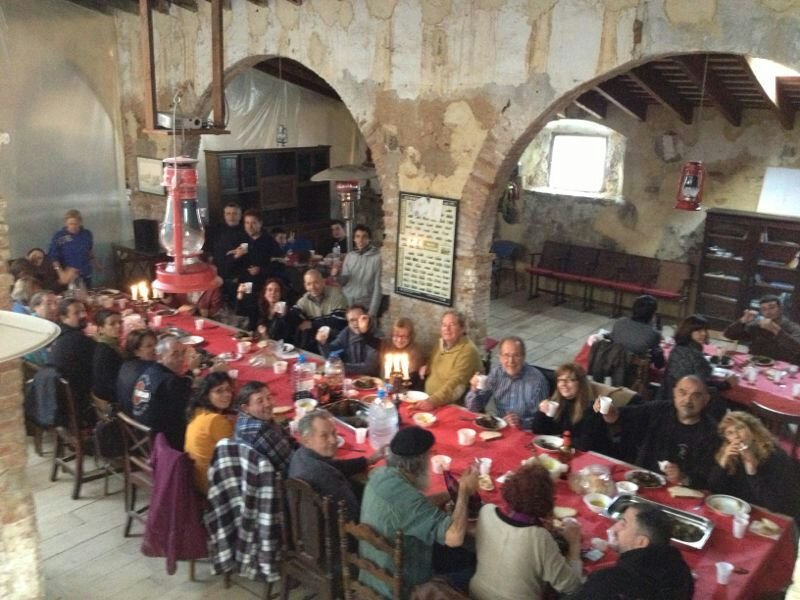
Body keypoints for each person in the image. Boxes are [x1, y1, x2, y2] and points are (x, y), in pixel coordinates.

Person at [359, 426, 479, 598]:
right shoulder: (409, 500)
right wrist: (464, 493)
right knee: (471, 561)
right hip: (401, 587)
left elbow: (414, 509)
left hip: (373, 572)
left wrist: (450, 493)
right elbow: (454, 537)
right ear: (420, 462)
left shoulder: (380, 475)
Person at [470, 463, 582, 600]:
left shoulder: (486, 512)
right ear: (548, 503)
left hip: (476, 595)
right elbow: (572, 586)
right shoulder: (539, 538)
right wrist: (574, 545)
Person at [596, 375, 719, 489]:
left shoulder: (712, 432)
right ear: (674, 392)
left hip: (680, 491)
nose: (687, 400)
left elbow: (707, 479)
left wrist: (682, 477)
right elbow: (621, 416)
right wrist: (609, 410)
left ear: (706, 400)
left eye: (696, 396)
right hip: (641, 481)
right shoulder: (659, 410)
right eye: (683, 392)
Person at [575, 503, 694, 599]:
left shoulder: (608, 582)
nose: (616, 526)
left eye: (624, 524)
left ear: (641, 542)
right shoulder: (681, 570)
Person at [288, 409, 382, 519]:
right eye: (324, 436)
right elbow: (353, 512)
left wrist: (368, 460)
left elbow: (337, 465)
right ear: (306, 440)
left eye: (334, 433)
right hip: (339, 529)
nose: (333, 440)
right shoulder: (324, 474)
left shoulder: (301, 454)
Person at [708, 411, 800, 521]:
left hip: (768, 515)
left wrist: (752, 472)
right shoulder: (729, 455)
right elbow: (712, 490)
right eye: (730, 433)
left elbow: (776, 505)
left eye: (740, 428)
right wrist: (723, 462)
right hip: (737, 514)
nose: (736, 436)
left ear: (753, 430)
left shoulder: (776, 457)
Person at [465, 336, 549, 430]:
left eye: (516, 355)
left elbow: (543, 421)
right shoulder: (496, 374)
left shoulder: (537, 381)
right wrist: (474, 390)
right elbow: (472, 408)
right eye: (506, 355)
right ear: (500, 357)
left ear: (523, 357)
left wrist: (521, 422)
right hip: (500, 428)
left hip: (525, 433)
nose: (511, 361)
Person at [129, 335, 195, 450]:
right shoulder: (170, 382)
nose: (181, 358)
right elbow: (190, 407)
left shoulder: (150, 371)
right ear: (159, 356)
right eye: (175, 354)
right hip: (162, 444)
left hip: (141, 435)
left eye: (182, 353)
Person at [532, 363, 613, 453]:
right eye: (560, 380)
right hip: (567, 451)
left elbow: (585, 444)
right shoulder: (558, 403)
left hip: (594, 457)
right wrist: (541, 412)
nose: (563, 384)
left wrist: (560, 439)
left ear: (581, 384)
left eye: (569, 380)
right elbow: (538, 430)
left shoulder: (592, 408)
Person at [663, 314, 736, 408]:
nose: (704, 334)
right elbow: (701, 385)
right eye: (698, 330)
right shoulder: (695, 356)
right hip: (684, 403)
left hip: (666, 397)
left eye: (705, 330)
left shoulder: (678, 349)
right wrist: (726, 384)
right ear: (688, 332)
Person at [418, 311, 482, 411]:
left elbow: (456, 383)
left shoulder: (468, 351)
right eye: (444, 325)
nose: (447, 329)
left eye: (452, 325)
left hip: (449, 406)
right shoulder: (441, 343)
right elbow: (433, 363)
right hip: (428, 398)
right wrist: (427, 367)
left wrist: (433, 401)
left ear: (462, 328)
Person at [184, 372, 236, 495]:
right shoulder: (216, 420)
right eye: (219, 391)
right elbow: (235, 453)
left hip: (196, 477)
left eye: (228, 389)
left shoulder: (198, 411)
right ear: (207, 395)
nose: (226, 394)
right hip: (213, 485)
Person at [233, 381, 298, 474]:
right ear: (245, 408)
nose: (268, 404)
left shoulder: (243, 417)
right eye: (260, 401)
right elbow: (290, 463)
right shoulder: (260, 430)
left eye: (269, 397)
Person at [49, 298, 96, 425]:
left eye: (83, 311)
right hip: (79, 406)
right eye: (76, 313)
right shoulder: (78, 340)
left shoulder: (59, 335)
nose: (83, 315)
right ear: (64, 318)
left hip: (60, 403)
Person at [232, 210, 282, 328]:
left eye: (253, 223)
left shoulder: (270, 241)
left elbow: (279, 264)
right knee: (248, 318)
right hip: (246, 285)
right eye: (247, 223)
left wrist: (261, 269)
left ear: (260, 223)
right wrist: (236, 256)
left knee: (262, 319)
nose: (250, 226)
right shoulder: (241, 239)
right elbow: (232, 264)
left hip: (264, 286)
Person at [723, 294, 800, 364]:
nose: (768, 312)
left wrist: (777, 330)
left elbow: (797, 348)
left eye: (772, 307)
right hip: (755, 364)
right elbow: (729, 335)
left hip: (782, 368)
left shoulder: (793, 327)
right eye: (763, 309)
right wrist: (742, 321)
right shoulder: (757, 326)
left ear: (781, 308)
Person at [331, 224, 382, 318]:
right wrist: (336, 275)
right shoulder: (350, 256)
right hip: (347, 302)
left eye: (364, 236)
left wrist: (372, 313)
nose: (360, 240)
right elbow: (344, 281)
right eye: (357, 236)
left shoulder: (377, 258)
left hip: (364, 304)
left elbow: (378, 288)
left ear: (369, 239)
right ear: (354, 239)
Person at [318, 305, 380, 376]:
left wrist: (340, 366)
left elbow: (369, 368)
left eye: (359, 319)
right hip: (350, 376)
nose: (356, 323)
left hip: (370, 380)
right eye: (352, 320)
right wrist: (322, 343)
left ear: (367, 318)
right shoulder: (347, 331)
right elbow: (331, 354)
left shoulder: (376, 336)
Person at [294, 269, 348, 350]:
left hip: (337, 339)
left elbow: (339, 321)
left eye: (316, 282)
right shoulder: (304, 300)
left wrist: (312, 324)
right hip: (317, 342)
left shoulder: (336, 294)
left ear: (323, 282)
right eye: (309, 284)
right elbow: (293, 316)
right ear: (305, 286)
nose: (313, 287)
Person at [611, 294, 665, 368]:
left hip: (614, 363)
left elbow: (612, 338)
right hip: (636, 370)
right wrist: (655, 326)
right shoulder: (653, 333)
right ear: (653, 314)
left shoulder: (620, 322)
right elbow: (658, 363)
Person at [48, 208, 95, 287]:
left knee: (86, 296)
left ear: (80, 222)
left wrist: (95, 263)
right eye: (70, 224)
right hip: (69, 276)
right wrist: (60, 273)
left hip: (85, 273)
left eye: (75, 224)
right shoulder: (59, 236)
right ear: (66, 223)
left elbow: (89, 250)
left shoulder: (87, 234)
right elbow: (53, 257)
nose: (73, 226)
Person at [116, 329, 158, 412]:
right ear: (136, 351)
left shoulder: (126, 365)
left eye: (156, 344)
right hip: (139, 418)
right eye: (149, 346)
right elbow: (146, 399)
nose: (156, 349)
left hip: (126, 416)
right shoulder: (150, 372)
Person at [380, 317, 426, 390]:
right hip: (383, 386)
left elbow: (408, 380)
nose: (399, 340)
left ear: (410, 337)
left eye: (404, 336)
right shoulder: (386, 345)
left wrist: (391, 383)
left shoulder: (415, 352)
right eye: (396, 335)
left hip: (405, 390)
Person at [91, 309, 124, 403]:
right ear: (101, 328)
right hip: (111, 401)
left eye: (120, 322)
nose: (118, 326)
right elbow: (111, 385)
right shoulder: (106, 352)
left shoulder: (105, 343)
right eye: (112, 324)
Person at [24, 290, 59, 365]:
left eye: (56, 303)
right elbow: (42, 360)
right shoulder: (31, 327)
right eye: (48, 304)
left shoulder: (52, 324)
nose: (54, 307)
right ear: (36, 307)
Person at [256, 278, 292, 342]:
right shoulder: (261, 307)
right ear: (265, 293)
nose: (273, 293)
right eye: (270, 290)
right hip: (263, 342)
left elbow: (276, 336)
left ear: (281, 294)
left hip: (280, 347)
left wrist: (281, 316)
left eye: (276, 290)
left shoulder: (285, 309)